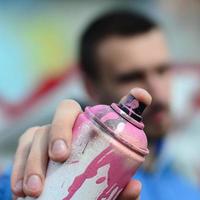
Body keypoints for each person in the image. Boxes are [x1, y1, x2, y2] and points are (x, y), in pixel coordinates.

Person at [1, 10, 200, 200]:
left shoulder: (188, 186)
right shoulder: (51, 173)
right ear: (90, 87)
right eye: (131, 77)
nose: (155, 92)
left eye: (162, 70)